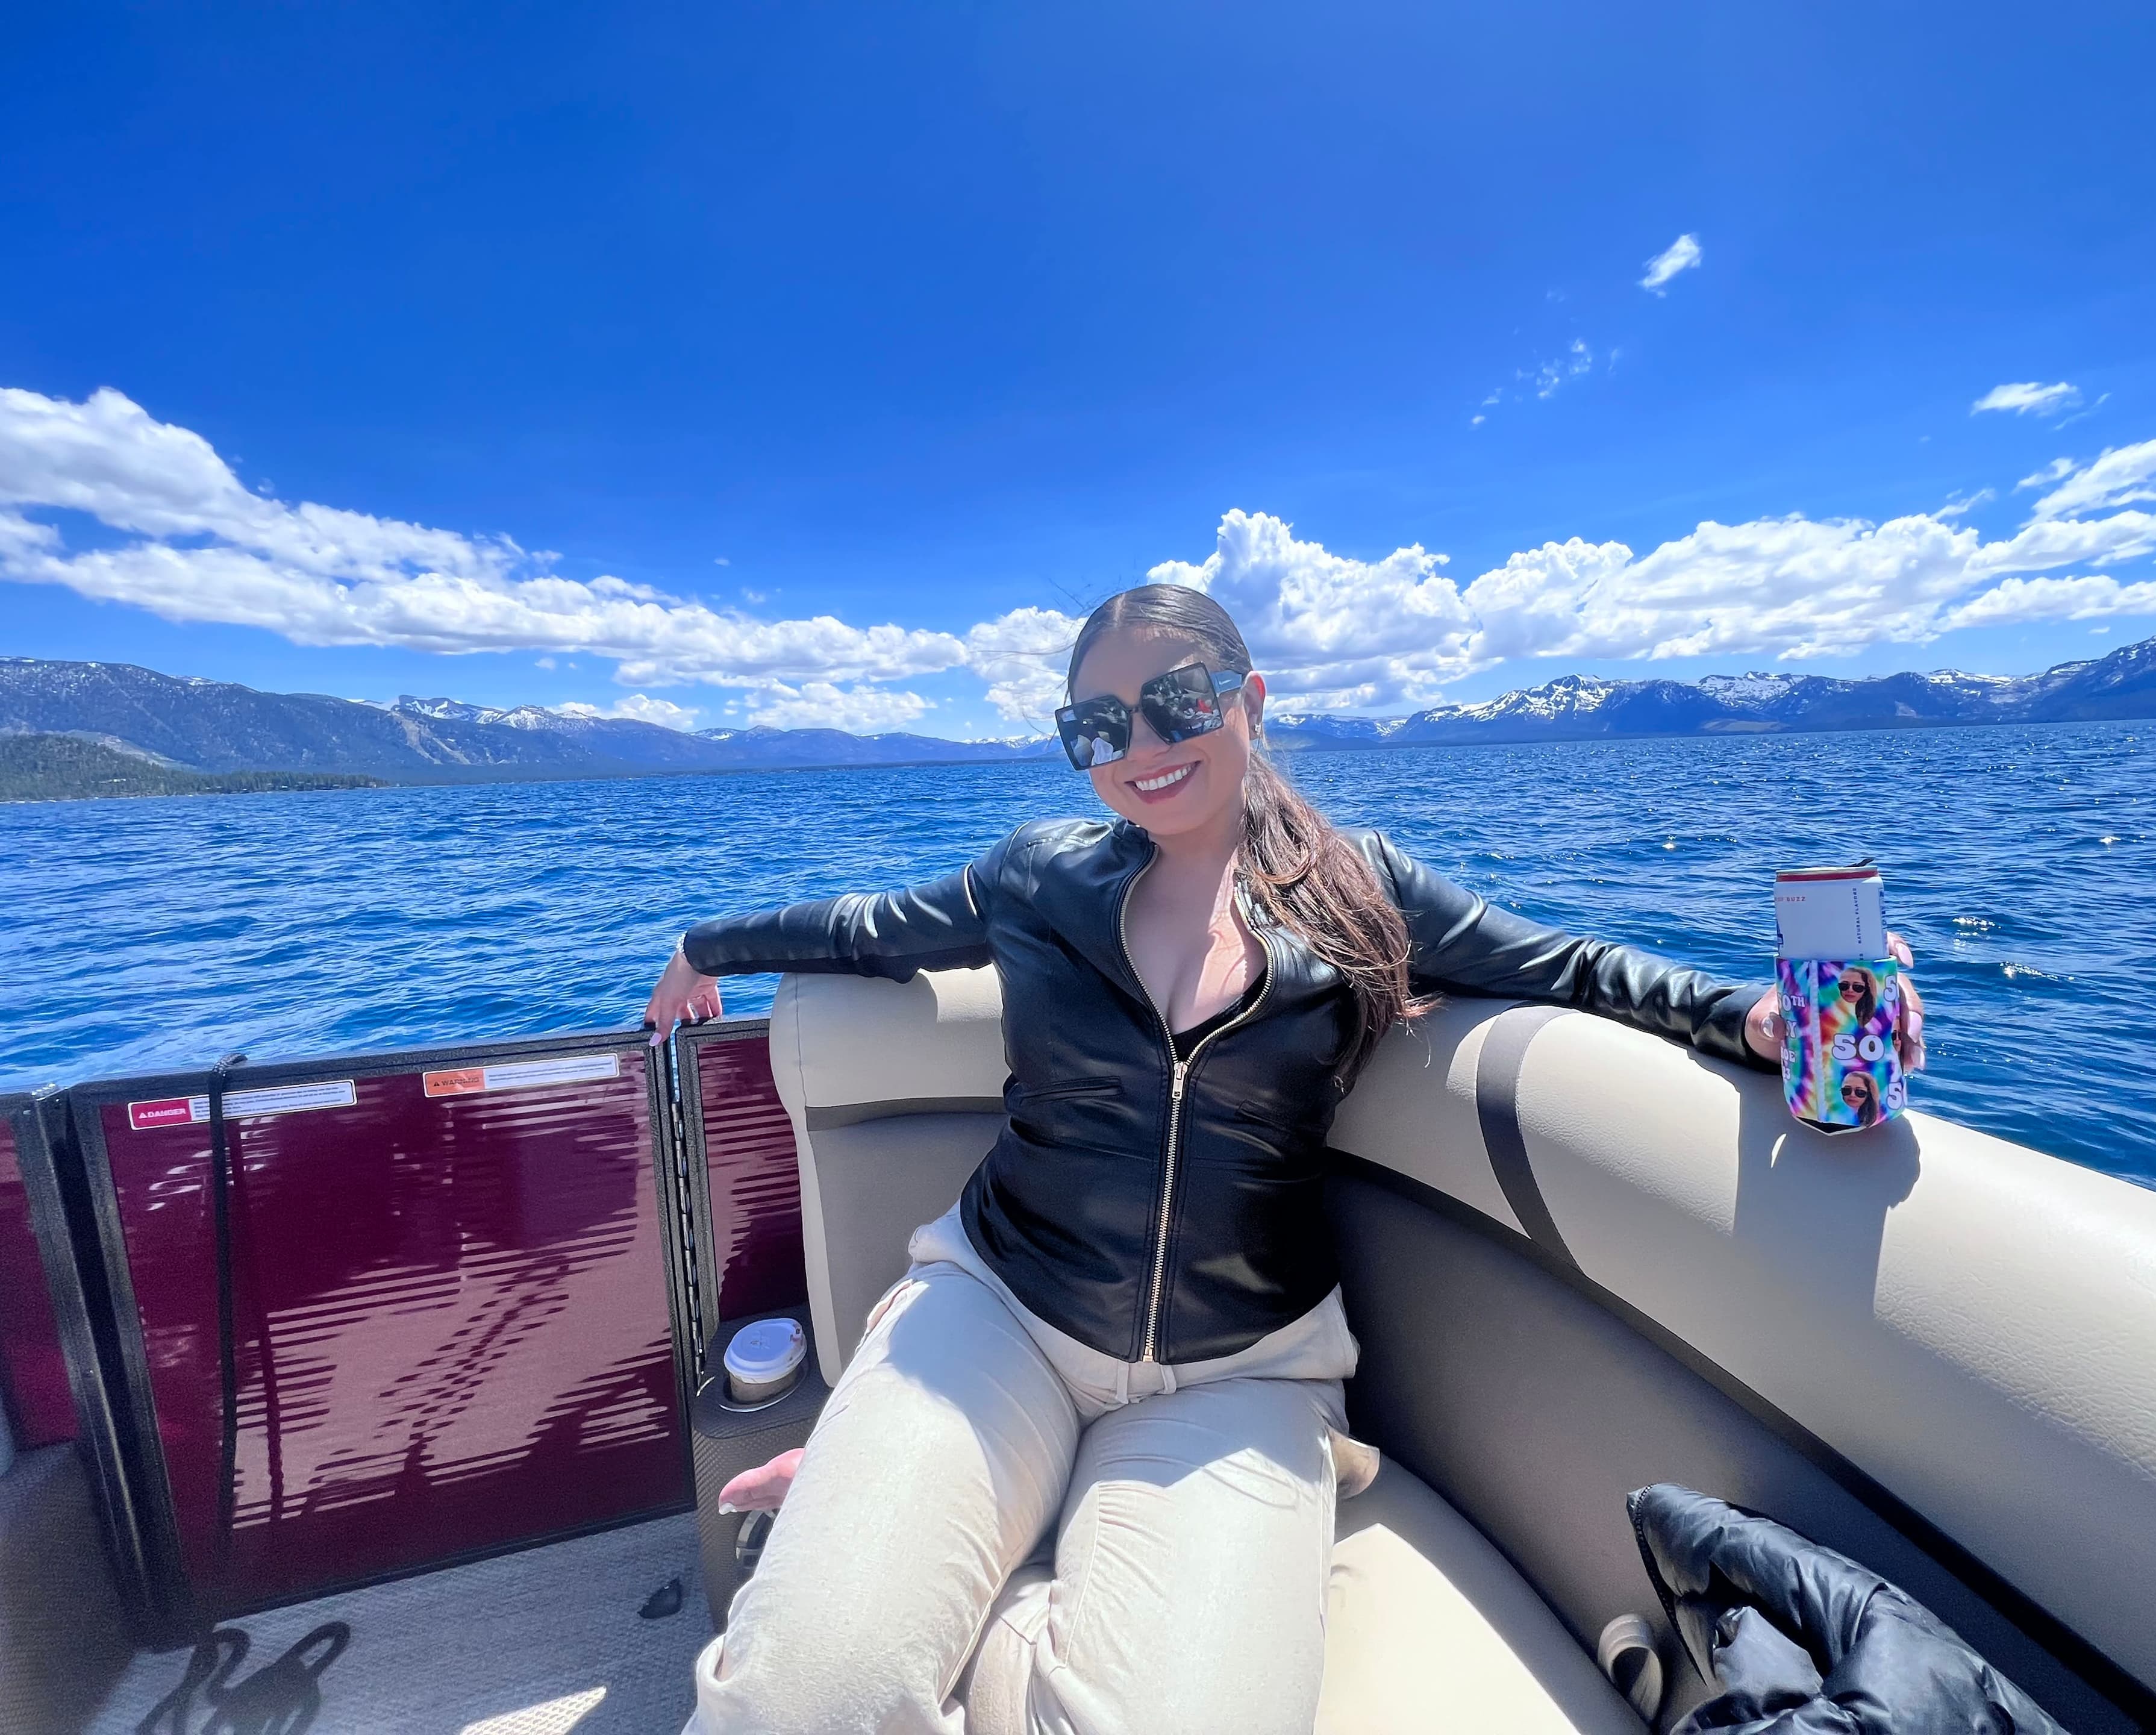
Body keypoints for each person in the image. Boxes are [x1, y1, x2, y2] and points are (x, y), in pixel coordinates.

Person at [644, 584, 1926, 1735]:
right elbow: (874, 930)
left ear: (1249, 698)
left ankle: (938, 1554)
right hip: (996, 1315)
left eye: (1174, 703)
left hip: (1243, 1375)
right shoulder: (1035, 877)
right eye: (1098, 729)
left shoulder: (1360, 889)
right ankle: (906, 1514)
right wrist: (705, 945)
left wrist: (1749, 1021)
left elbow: (1571, 970)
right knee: (794, 1703)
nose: (1140, 749)